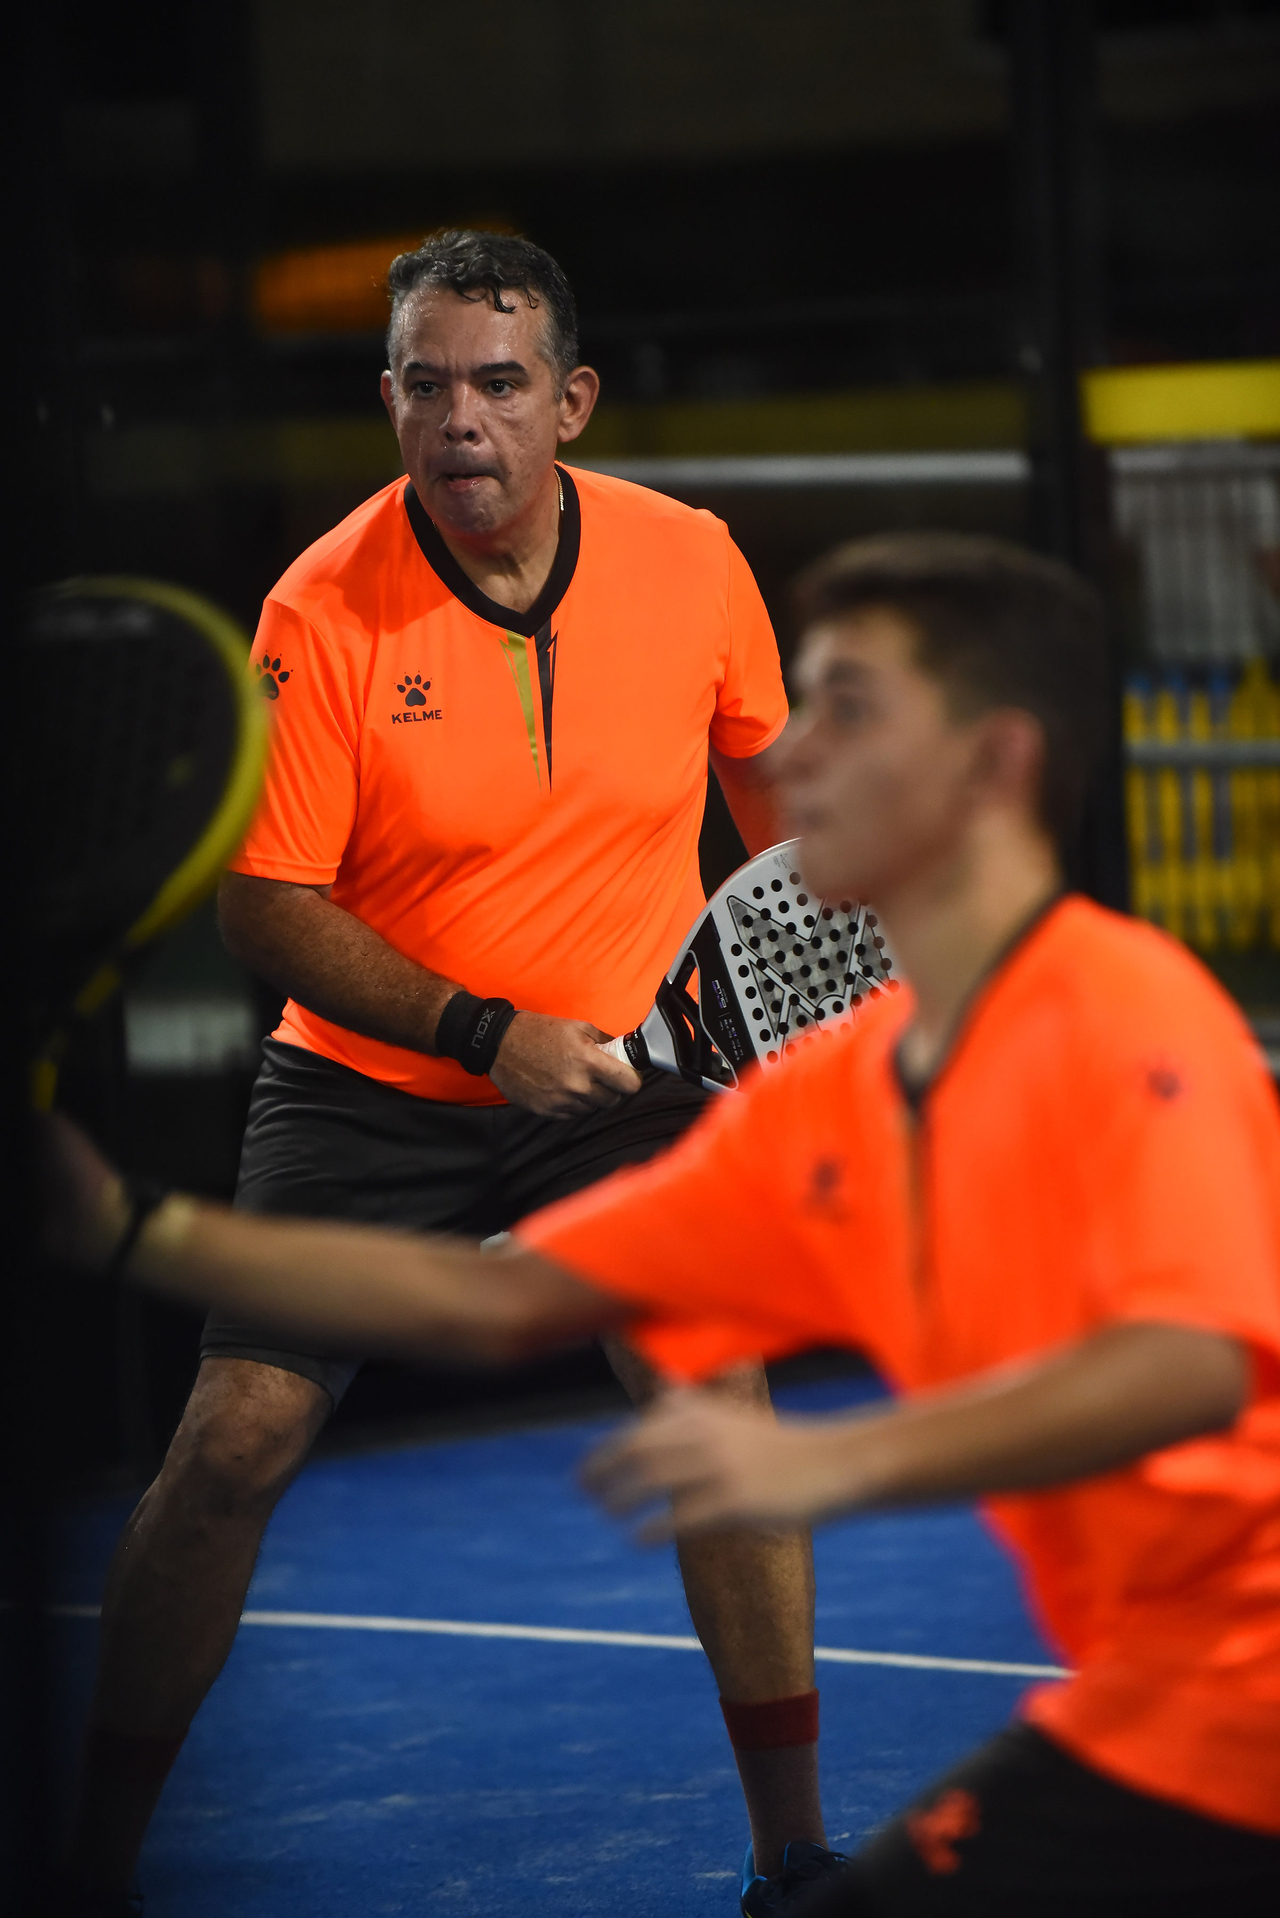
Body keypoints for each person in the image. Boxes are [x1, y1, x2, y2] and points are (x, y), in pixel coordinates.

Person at [48, 531, 1280, 1912]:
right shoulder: (829, 1096)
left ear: (994, 765)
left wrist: (836, 1458)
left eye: (850, 710)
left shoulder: (1128, 1015)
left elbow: (1191, 1364)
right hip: (1152, 1710)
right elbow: (501, 1300)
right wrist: (122, 1225)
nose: (791, 755)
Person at [65, 230, 835, 1917]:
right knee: (232, 1441)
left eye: (497, 383)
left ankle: (793, 1857)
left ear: (572, 400)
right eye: (426, 385)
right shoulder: (319, 604)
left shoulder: (694, 562)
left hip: (630, 1082)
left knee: (712, 1390)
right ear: (391, 400)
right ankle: (88, 1870)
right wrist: (485, 1032)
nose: (460, 418)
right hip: (370, 1091)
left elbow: (779, 807)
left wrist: (813, 986)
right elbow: (266, 905)